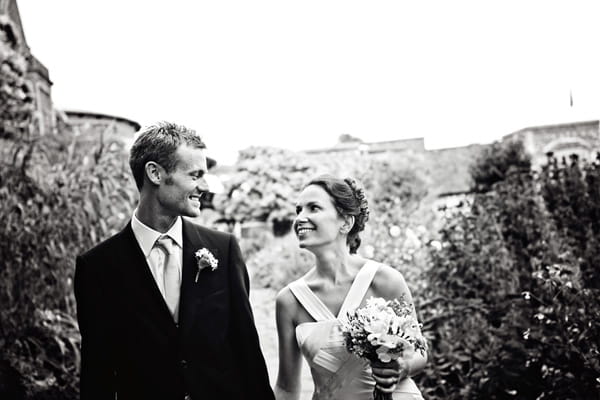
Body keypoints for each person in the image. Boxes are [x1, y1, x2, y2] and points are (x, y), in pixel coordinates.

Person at [74, 121, 274, 400]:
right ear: (155, 173)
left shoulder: (224, 249)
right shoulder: (97, 267)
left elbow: (248, 353)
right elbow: (98, 373)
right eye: (195, 175)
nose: (204, 186)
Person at [274, 175, 427, 400]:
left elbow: (420, 352)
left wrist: (401, 367)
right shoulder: (289, 301)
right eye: (298, 210)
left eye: (313, 208)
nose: (300, 218)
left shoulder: (386, 280)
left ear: (346, 222)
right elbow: (287, 388)